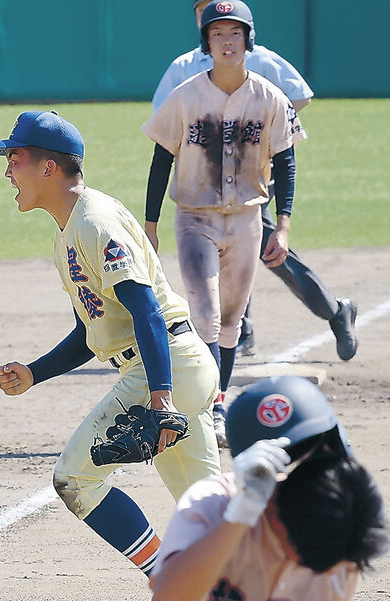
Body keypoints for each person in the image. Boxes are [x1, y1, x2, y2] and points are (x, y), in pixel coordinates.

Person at [0, 110, 221, 601]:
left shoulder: (95, 222)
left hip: (165, 369)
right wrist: (35, 373)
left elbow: (146, 311)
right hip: (175, 365)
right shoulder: (74, 229)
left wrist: (159, 397)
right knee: (207, 509)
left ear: (49, 167)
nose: (8, 171)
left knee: (76, 479)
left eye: (14, 160)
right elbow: (93, 330)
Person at [139, 375, 388, 601]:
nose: (304, 567)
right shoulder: (211, 507)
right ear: (272, 509)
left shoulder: (341, 520)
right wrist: (237, 519)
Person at [151, 0, 358, 365]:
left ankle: (329, 311)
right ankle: (253, 326)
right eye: (203, 12)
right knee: (238, 252)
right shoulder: (184, 67)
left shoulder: (261, 59)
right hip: (203, 186)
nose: (213, 18)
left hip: (251, 181)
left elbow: (299, 94)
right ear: (200, 23)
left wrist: (256, 131)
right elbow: (163, 120)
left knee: (265, 250)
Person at [142, 0, 305, 448]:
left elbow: (287, 164)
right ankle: (212, 408)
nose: (227, 41)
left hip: (248, 220)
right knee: (207, 315)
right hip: (195, 219)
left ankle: (218, 398)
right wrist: (150, 222)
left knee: (231, 321)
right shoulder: (187, 95)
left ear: (248, 40)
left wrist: (284, 226)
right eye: (218, 34)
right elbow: (161, 159)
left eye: (235, 33)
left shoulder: (269, 97)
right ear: (207, 42)